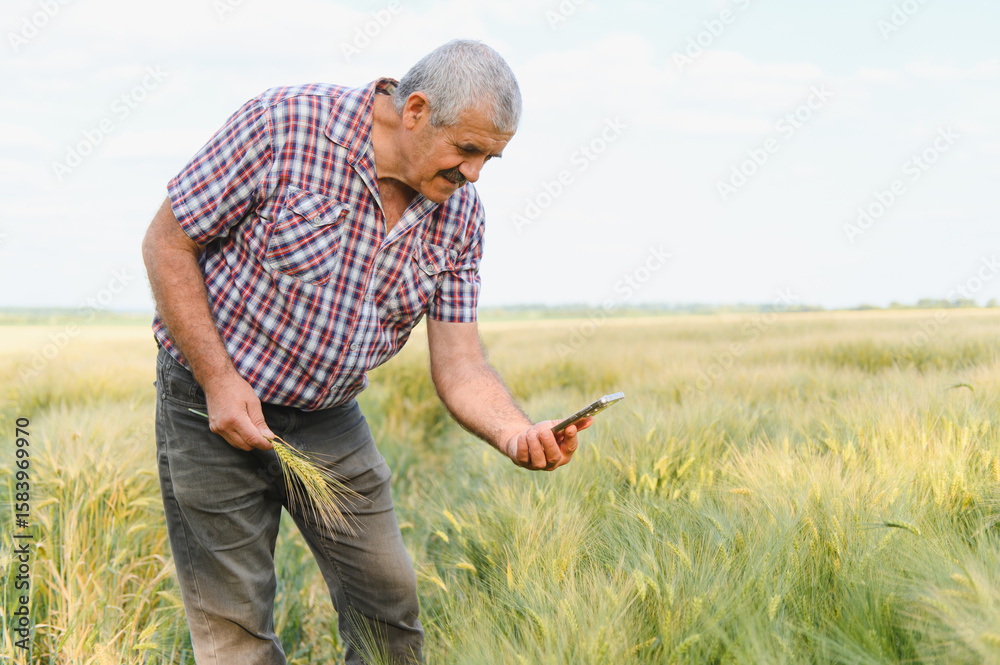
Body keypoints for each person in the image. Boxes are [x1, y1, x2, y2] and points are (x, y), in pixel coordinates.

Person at [141, 39, 592, 665]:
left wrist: (516, 434)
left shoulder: (460, 217)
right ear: (413, 110)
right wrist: (218, 379)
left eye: (490, 158)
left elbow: (460, 364)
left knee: (390, 610)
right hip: (208, 407)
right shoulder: (281, 126)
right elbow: (167, 243)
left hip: (329, 419)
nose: (475, 174)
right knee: (235, 632)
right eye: (467, 150)